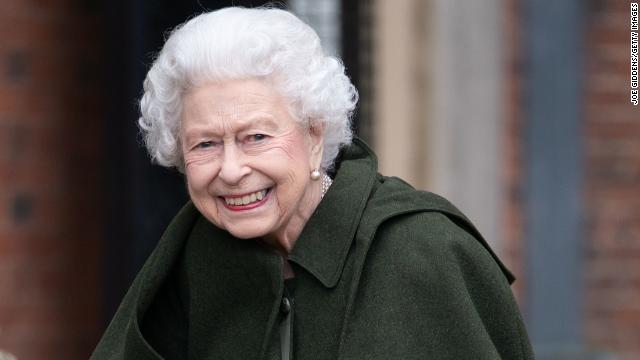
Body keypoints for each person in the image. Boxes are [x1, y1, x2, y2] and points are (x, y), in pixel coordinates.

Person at [91, 7, 534, 360]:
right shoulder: (193, 256)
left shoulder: (420, 249)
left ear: (314, 133)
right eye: (205, 144)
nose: (230, 170)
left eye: (256, 137)